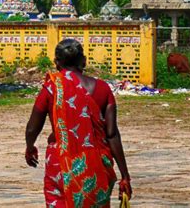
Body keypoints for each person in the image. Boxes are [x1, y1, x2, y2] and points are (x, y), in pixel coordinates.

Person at [25, 38, 132, 207]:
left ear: (56, 63)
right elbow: (112, 134)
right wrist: (125, 175)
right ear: (83, 60)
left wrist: (30, 147)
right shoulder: (103, 89)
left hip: (61, 163)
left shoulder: (51, 88)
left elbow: (32, 128)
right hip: (97, 166)